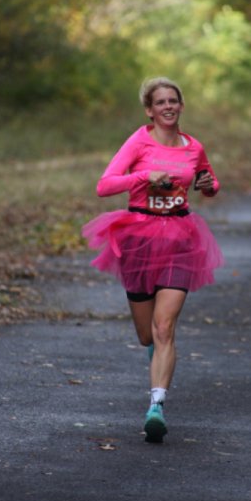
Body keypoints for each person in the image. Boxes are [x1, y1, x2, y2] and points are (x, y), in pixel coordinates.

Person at [81, 77, 223, 444]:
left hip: (180, 239)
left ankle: (156, 407)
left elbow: (208, 181)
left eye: (173, 101)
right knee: (147, 334)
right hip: (140, 239)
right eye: (160, 102)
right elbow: (104, 184)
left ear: (181, 105)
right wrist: (144, 176)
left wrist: (209, 185)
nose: (168, 107)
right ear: (150, 110)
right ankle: (156, 358)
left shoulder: (194, 147)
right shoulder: (139, 141)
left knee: (164, 328)